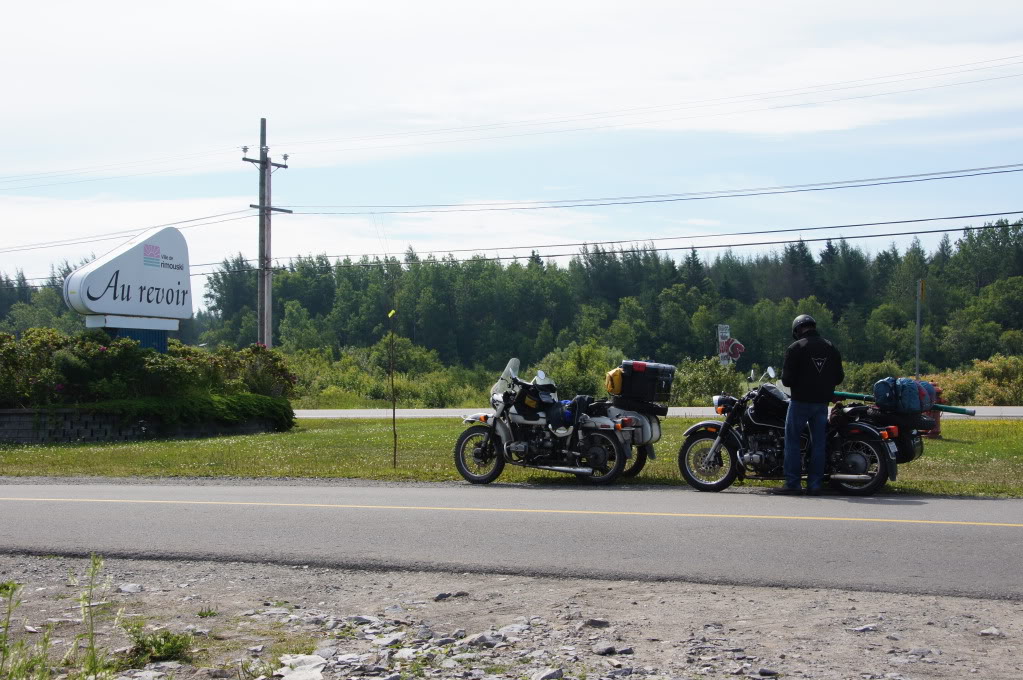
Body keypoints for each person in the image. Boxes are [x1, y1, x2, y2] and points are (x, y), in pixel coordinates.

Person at [774, 314, 844, 496]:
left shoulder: (796, 348)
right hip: (821, 404)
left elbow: (787, 380)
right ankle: (815, 485)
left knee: (793, 442)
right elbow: (839, 377)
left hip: (799, 402)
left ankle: (793, 483)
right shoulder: (830, 347)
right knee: (819, 443)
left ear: (797, 330)